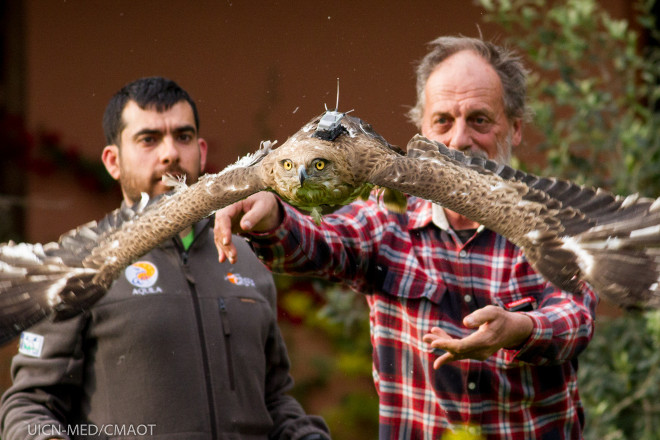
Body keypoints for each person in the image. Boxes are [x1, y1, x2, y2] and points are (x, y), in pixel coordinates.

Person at [213, 37, 597, 439]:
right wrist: (273, 215)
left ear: (515, 128)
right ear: (422, 130)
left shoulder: (554, 223)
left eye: (479, 120)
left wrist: (520, 327)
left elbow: (575, 317)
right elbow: (321, 240)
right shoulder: (389, 216)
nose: (458, 140)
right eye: (443, 121)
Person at [0, 77, 331, 440]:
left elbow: (275, 402)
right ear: (113, 161)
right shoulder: (81, 266)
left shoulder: (248, 262)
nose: (170, 153)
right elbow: (31, 406)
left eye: (183, 136)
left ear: (202, 151)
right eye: (149, 139)